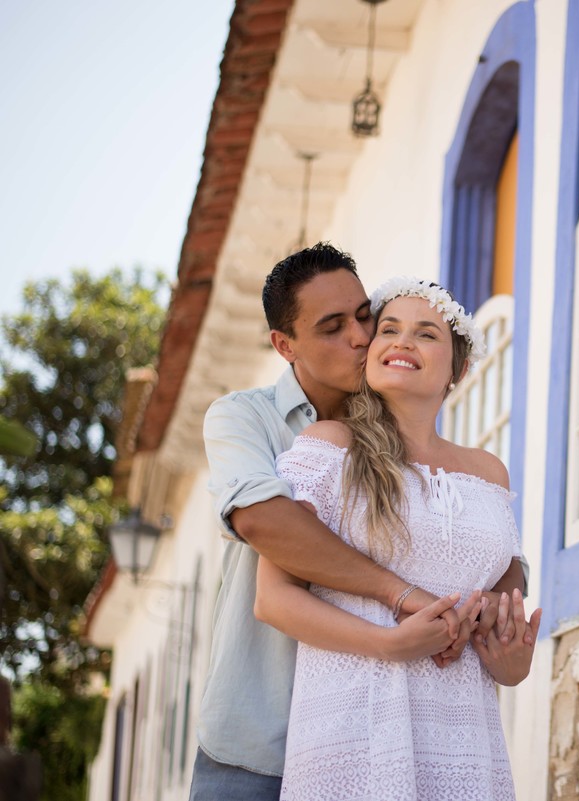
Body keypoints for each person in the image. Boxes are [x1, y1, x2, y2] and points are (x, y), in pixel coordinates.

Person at [194, 245, 526, 800]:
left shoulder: (460, 459)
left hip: (444, 733)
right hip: (264, 732)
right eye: (333, 327)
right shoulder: (254, 422)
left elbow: (496, 578)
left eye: (364, 316)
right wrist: (404, 602)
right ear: (285, 345)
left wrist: (499, 637)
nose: (364, 337)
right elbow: (267, 524)